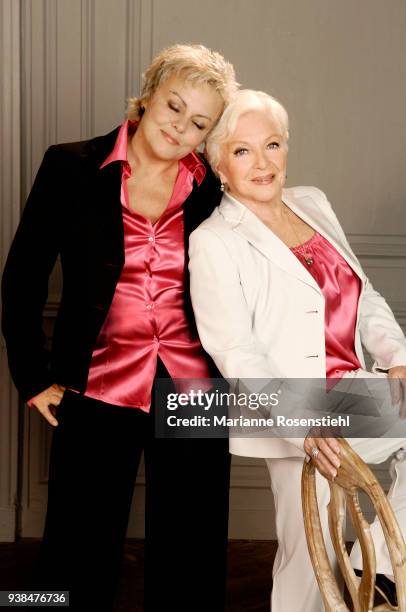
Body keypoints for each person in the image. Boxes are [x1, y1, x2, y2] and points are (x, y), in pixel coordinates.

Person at [1, 44, 238, 611]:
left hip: (195, 390)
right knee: (75, 554)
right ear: (149, 94)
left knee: (194, 553)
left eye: (199, 122)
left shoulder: (213, 187)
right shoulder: (71, 166)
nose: (181, 127)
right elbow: (23, 276)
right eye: (174, 106)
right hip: (98, 382)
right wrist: (33, 378)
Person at [188, 89, 406, 611]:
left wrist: (397, 357)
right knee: (308, 558)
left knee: (334, 559)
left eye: (272, 145)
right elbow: (236, 352)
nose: (262, 163)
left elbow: (363, 293)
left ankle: (375, 572)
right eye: (242, 151)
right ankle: (361, 575)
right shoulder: (214, 240)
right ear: (218, 162)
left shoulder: (312, 202)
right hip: (296, 409)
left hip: (358, 390)